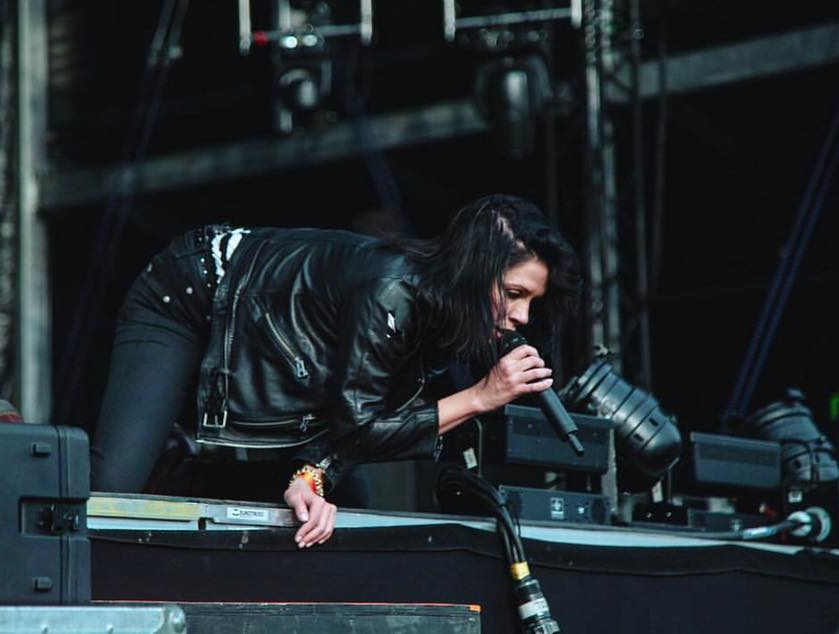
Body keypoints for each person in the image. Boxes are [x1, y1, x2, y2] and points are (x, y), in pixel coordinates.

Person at [90, 194, 581, 548]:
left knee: (346, 505)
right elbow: (361, 427)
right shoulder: (392, 292)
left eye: (532, 301)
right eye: (514, 294)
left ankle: (183, 465)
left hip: (256, 336)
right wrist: (478, 397)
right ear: (474, 272)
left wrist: (311, 474)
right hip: (191, 292)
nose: (523, 316)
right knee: (109, 489)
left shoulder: (447, 320)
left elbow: (358, 418)